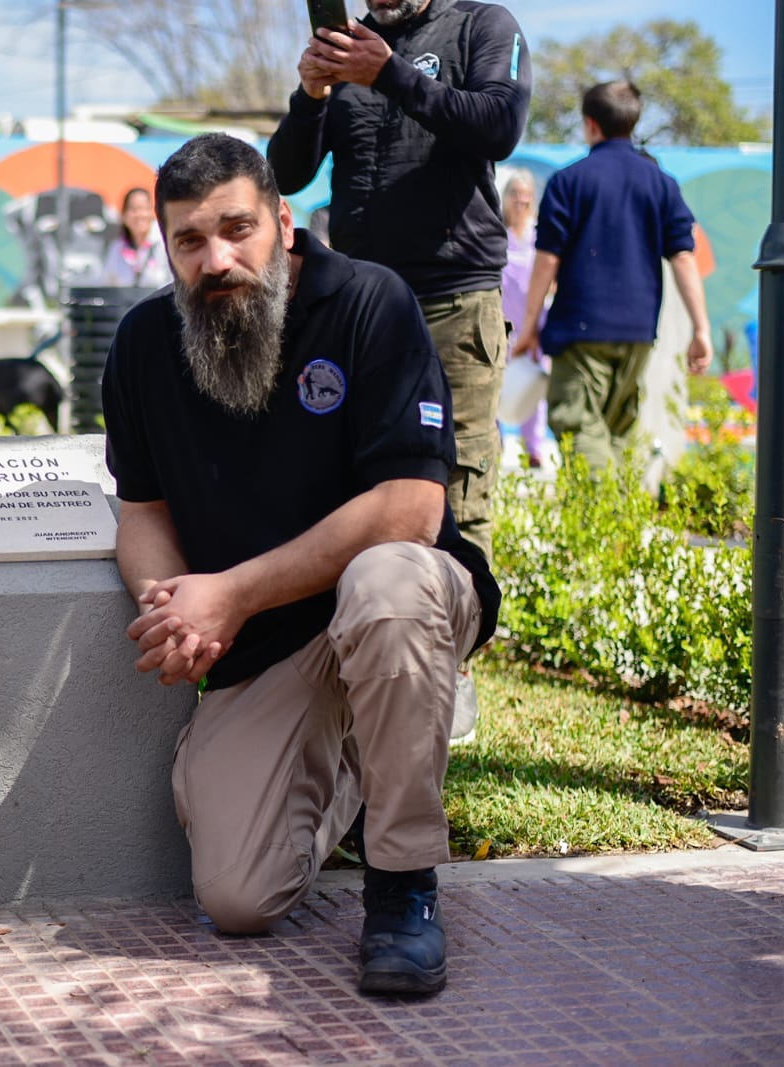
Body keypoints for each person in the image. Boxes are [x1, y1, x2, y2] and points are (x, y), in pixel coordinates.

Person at [103, 134, 499, 995]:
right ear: (165, 249)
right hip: (270, 640)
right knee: (239, 896)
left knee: (384, 585)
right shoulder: (142, 345)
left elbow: (412, 507)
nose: (218, 260)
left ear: (282, 222)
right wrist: (172, 607)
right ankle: (366, 759)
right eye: (190, 242)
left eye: (237, 229)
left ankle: (403, 888)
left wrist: (233, 593)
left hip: (399, 593)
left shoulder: (370, 302)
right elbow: (141, 513)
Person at [265, 0, 529, 743]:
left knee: (458, 483)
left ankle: (453, 669)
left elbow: (498, 125)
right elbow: (285, 174)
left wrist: (390, 74)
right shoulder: (346, 45)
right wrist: (311, 95)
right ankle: (354, 656)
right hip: (361, 307)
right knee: (349, 480)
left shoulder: (483, 26)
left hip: (455, 299)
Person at [512, 81, 713, 469]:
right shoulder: (661, 183)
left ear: (590, 124)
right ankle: (617, 522)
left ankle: (606, 526)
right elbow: (684, 257)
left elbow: (548, 259)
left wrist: (531, 324)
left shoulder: (569, 181)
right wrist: (700, 329)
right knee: (617, 432)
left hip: (580, 330)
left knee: (578, 427)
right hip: (638, 332)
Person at [500, 170, 548, 468]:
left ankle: (535, 449)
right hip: (502, 326)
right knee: (496, 385)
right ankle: (495, 443)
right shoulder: (497, 236)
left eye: (525, 194)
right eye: (515, 193)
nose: (521, 200)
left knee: (533, 388)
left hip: (533, 325)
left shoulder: (537, 237)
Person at [101, 187, 172, 289]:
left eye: (144, 208)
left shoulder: (165, 242)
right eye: (133, 209)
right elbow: (107, 286)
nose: (139, 215)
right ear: (124, 215)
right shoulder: (116, 248)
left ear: (152, 212)